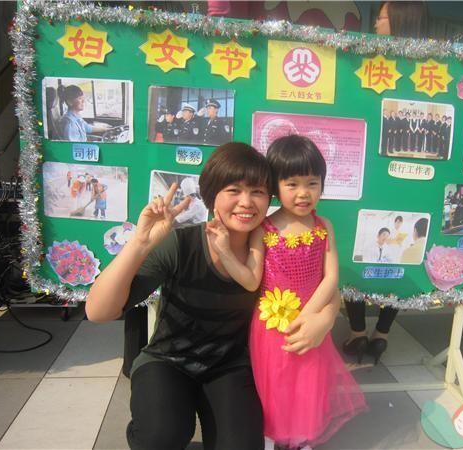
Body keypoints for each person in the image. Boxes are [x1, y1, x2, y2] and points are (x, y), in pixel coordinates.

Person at [86, 142, 337, 450]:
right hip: (168, 360)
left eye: (257, 191)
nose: (246, 202)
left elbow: (322, 284)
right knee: (161, 436)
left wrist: (326, 317)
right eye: (233, 190)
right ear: (212, 194)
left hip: (230, 365)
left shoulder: (272, 245)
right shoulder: (182, 244)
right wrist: (139, 244)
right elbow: (99, 312)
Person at [207, 135, 366, 449]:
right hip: (270, 328)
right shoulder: (263, 228)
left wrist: (311, 318)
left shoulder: (324, 225)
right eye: (292, 184)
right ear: (275, 187)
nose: (304, 193)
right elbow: (251, 280)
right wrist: (224, 251)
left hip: (309, 321)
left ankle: (301, 437)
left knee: (309, 381)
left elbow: (331, 278)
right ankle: (268, 436)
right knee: (274, 384)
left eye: (312, 183)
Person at [343, 0, 428, 365]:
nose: (376, 24)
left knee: (357, 245)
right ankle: (381, 335)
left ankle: (357, 333)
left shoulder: (372, 66)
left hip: (370, 176)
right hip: (411, 181)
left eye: (380, 17)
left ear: (399, 20)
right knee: (398, 254)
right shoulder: (429, 70)